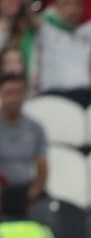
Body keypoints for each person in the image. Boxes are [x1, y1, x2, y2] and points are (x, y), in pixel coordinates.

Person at [0, 73, 47, 213]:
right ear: (1, 94)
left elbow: (43, 167)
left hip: (27, 190)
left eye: (18, 93)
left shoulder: (35, 128)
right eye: (9, 93)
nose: (14, 98)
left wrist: (33, 193)